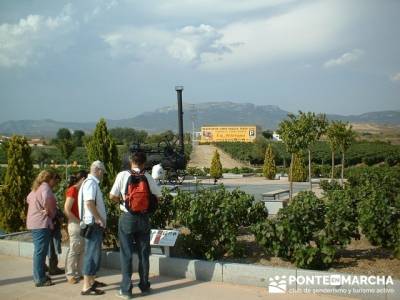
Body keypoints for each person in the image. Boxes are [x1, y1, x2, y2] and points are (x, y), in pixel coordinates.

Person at [110, 151, 162, 299]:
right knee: (144, 253)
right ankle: (144, 286)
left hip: (127, 217)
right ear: (144, 163)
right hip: (144, 218)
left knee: (126, 253)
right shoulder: (147, 177)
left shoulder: (122, 175)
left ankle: (126, 290)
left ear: (130, 161)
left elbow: (112, 196)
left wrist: (122, 201)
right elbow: (158, 196)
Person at [78, 161, 107, 296]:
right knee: (91, 254)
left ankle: (91, 281)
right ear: (98, 170)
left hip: (92, 223)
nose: (102, 175)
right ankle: (86, 287)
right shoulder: (91, 183)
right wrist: (98, 218)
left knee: (93, 253)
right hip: (93, 224)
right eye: (102, 172)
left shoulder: (90, 183)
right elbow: (89, 202)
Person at [26, 170, 59, 287]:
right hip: (41, 223)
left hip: (34, 222)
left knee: (38, 251)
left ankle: (40, 275)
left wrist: (38, 207)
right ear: (49, 179)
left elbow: (28, 199)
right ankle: (39, 279)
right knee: (40, 252)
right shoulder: (46, 189)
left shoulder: (36, 188)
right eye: (54, 180)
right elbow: (50, 206)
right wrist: (50, 212)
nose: (55, 182)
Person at [64, 170, 88, 284]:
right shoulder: (73, 190)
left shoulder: (80, 190)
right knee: (74, 249)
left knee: (82, 249)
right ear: (83, 179)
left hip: (81, 223)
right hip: (75, 224)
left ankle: (80, 272)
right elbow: (67, 209)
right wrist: (78, 221)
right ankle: (70, 275)